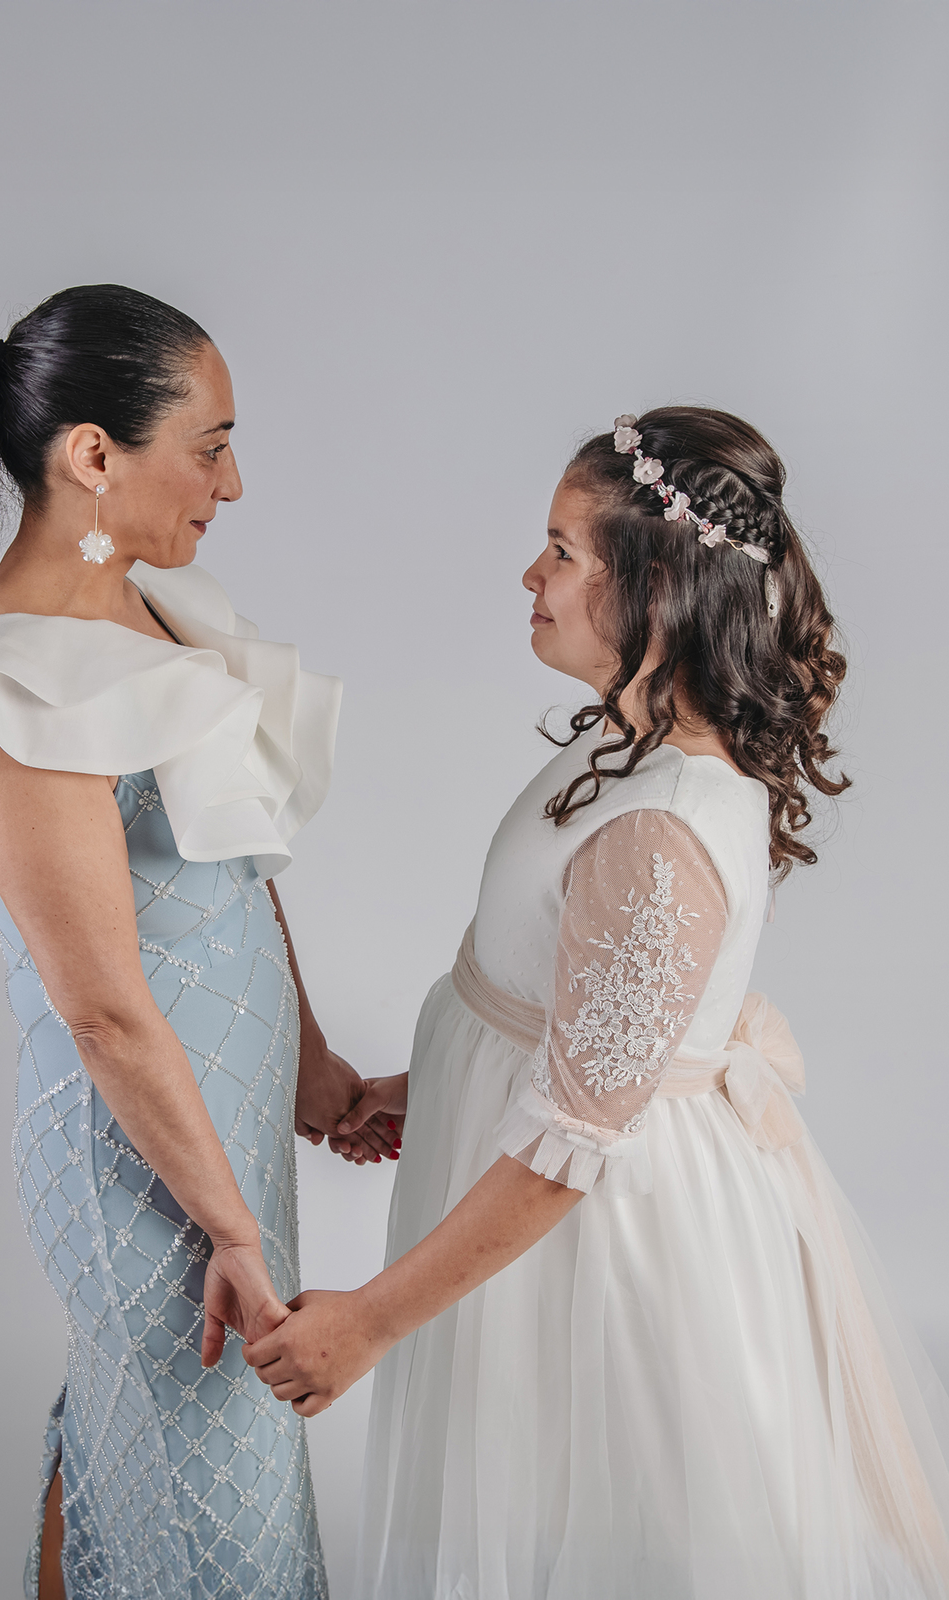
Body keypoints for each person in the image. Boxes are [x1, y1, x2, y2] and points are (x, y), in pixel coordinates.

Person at [244, 407, 949, 1598]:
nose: (532, 574)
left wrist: (365, 1320)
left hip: (599, 1246)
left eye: (564, 551)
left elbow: (573, 1139)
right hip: (543, 1181)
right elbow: (582, 1016)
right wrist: (426, 1087)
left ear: (658, 588)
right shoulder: (627, 742)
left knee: (599, 1509)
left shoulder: (661, 825)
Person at [0, 285, 394, 1600]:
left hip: (222, 1138)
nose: (232, 483)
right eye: (209, 446)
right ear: (94, 454)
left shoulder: (155, 612)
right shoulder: (11, 693)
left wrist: (312, 1063)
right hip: (141, 1168)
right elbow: (100, 1009)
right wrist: (235, 1233)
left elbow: (230, 853)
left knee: (154, 1460)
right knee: (212, 1496)